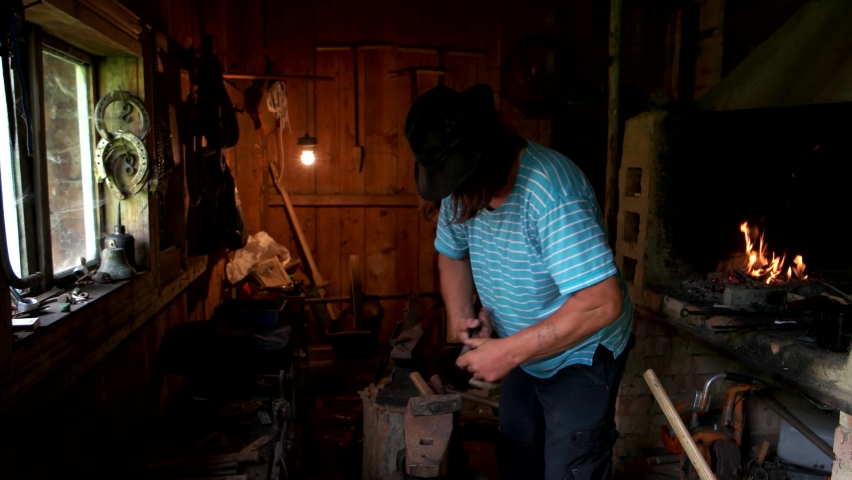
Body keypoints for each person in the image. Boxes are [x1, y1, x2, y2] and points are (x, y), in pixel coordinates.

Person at [404, 83, 634, 480]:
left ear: (483, 163)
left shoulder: (551, 192)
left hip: (581, 352)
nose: (454, 202)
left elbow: (602, 302)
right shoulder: (463, 189)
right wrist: (465, 320)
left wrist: (508, 352)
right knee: (517, 453)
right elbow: (452, 254)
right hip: (523, 348)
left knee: (569, 469)